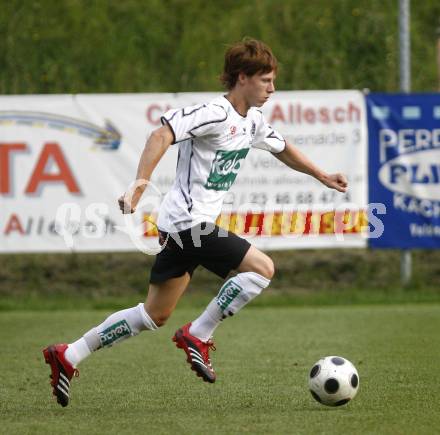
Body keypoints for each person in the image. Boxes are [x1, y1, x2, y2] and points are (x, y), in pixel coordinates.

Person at [43, 38, 348, 407]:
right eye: (265, 80)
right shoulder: (213, 113)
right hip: (190, 223)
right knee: (262, 269)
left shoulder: (251, 121)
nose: (272, 88)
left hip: (182, 226)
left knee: (153, 315)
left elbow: (282, 148)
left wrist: (321, 175)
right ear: (242, 78)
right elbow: (161, 135)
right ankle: (198, 334)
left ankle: (69, 354)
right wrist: (139, 187)